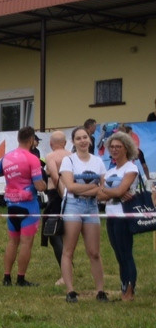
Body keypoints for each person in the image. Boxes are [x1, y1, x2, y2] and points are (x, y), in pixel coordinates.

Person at [0, 126, 48, 287]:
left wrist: (13, 175)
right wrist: (45, 184)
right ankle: (21, 278)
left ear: (18, 139)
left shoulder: (7, 157)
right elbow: (39, 186)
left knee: (12, 242)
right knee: (26, 243)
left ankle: (6, 277)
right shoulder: (33, 159)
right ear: (31, 140)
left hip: (11, 204)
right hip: (28, 205)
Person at [59, 126, 107, 302]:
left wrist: (88, 190)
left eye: (85, 137)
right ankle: (70, 291)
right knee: (68, 250)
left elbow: (103, 190)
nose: (82, 141)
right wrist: (93, 188)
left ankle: (100, 291)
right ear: (74, 142)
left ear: (90, 139)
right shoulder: (68, 161)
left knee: (94, 252)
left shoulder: (98, 161)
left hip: (92, 207)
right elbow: (70, 187)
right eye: (78, 138)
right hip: (73, 206)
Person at [98, 131, 141, 301]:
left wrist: (110, 192)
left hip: (124, 216)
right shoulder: (110, 172)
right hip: (111, 216)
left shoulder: (131, 168)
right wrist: (114, 193)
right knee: (118, 254)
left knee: (126, 253)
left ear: (126, 148)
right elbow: (99, 196)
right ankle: (124, 286)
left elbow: (118, 190)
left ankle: (130, 289)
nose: (114, 150)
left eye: (118, 147)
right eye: (112, 147)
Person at [41, 131, 70, 283]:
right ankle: (67, 267)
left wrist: (63, 195)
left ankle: (65, 274)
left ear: (51, 144)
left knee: (54, 234)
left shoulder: (51, 157)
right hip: (70, 195)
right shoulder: (72, 155)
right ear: (65, 143)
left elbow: (55, 176)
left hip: (58, 197)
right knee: (64, 234)